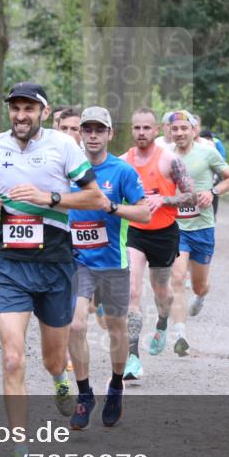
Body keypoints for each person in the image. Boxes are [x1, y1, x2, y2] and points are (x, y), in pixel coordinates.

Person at [0, 82, 105, 457]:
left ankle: (59, 378)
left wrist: (48, 198)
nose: (20, 115)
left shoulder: (63, 147)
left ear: (43, 111)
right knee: (12, 357)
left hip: (54, 263)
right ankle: (20, 453)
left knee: (53, 358)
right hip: (9, 264)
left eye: (28, 109)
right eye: (15, 108)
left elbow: (94, 198)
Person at [65, 107, 150, 429]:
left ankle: (116, 385)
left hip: (113, 263)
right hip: (78, 262)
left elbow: (144, 215)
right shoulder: (69, 169)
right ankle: (84, 394)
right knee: (75, 326)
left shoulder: (122, 172)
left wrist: (111, 207)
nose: (93, 135)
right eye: (87, 129)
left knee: (116, 329)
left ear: (110, 134)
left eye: (100, 129)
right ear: (81, 133)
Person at [120, 107, 196, 380]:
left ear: (156, 131)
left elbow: (191, 196)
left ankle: (163, 321)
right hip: (136, 233)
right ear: (132, 130)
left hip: (164, 233)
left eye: (146, 128)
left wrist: (164, 199)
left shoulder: (170, 161)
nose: (141, 132)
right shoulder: (123, 161)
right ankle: (132, 357)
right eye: (137, 128)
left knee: (161, 291)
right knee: (132, 292)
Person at [166, 110, 229, 355]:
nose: (179, 133)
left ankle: (201, 296)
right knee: (176, 279)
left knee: (199, 285)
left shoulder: (207, 153)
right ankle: (180, 335)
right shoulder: (165, 156)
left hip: (203, 227)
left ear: (193, 130)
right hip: (177, 228)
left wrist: (213, 192)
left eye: (184, 128)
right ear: (169, 131)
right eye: (175, 129)